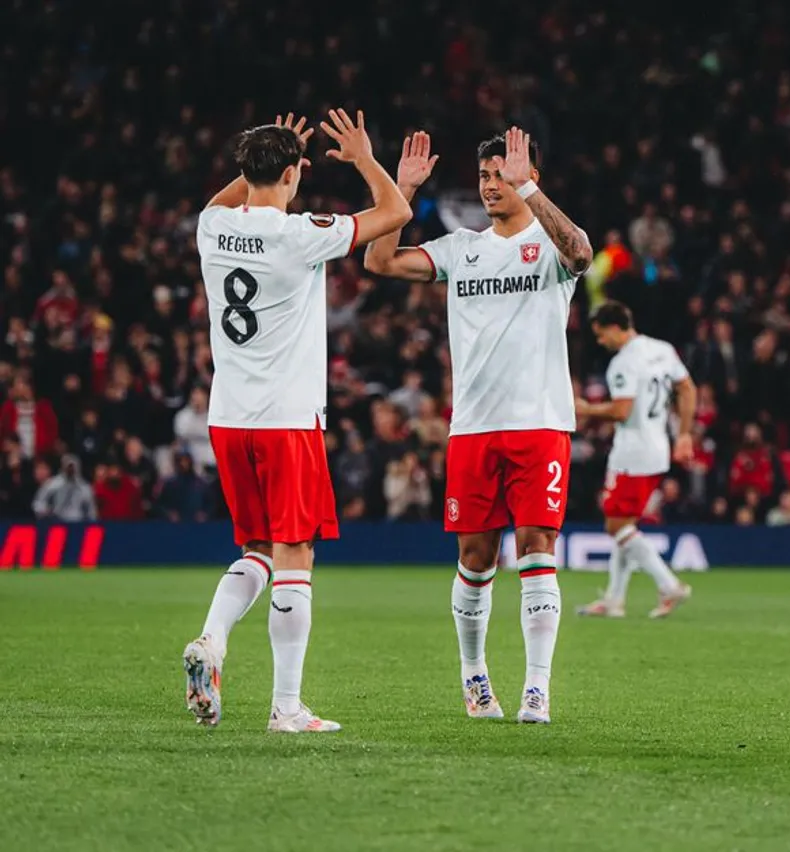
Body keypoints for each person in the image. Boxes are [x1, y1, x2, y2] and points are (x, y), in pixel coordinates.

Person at [182, 109, 412, 733]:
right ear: (294, 174)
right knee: (295, 553)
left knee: (255, 547)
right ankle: (286, 707)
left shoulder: (212, 225)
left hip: (228, 416)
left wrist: (267, 160)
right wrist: (364, 156)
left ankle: (212, 640)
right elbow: (396, 214)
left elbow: (220, 199)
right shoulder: (299, 233)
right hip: (286, 419)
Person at [365, 127, 591, 724]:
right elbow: (379, 259)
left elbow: (582, 253)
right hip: (473, 428)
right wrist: (400, 193)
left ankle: (537, 689)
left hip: (539, 422)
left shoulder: (550, 246)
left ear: (528, 177)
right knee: (476, 557)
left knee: (538, 548)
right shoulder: (460, 248)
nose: (491, 185)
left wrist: (531, 189)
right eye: (486, 176)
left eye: (503, 174)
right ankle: (474, 677)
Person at [574, 300, 696, 619]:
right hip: (658, 447)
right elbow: (687, 387)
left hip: (632, 452)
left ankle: (669, 584)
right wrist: (684, 434)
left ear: (615, 328)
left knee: (616, 526)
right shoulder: (662, 349)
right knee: (624, 525)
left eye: (602, 335)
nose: (600, 341)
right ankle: (614, 600)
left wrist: (586, 408)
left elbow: (620, 410)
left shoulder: (622, 363)